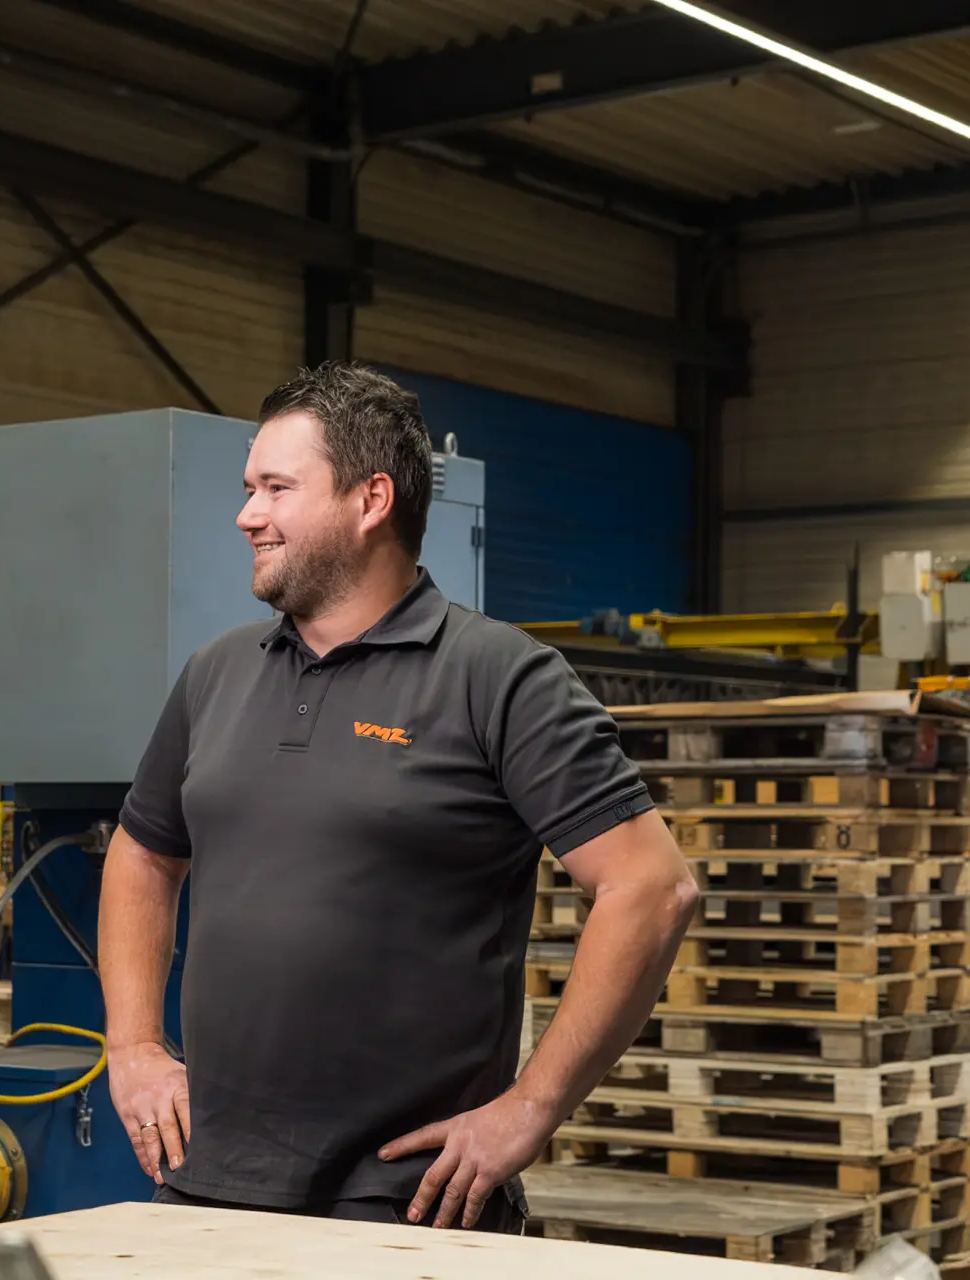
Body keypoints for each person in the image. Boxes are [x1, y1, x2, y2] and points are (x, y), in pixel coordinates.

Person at [99, 362, 699, 1232]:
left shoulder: (499, 678)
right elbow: (143, 853)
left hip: (405, 1201)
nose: (247, 514)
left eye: (276, 489)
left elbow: (651, 886)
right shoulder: (215, 673)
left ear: (370, 499)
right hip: (207, 1179)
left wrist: (530, 1109)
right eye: (248, 488)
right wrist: (133, 1046)